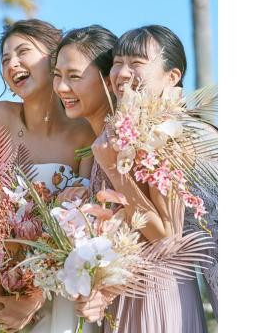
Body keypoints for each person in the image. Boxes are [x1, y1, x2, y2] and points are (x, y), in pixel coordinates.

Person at [67, 25, 212, 332]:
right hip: (123, 295)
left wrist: (113, 170)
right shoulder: (118, 130)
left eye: (136, 63)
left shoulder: (167, 134)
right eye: (117, 62)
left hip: (159, 296)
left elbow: (166, 238)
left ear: (172, 77)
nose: (122, 72)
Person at [0, 19, 96, 333]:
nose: (12, 64)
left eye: (23, 52)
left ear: (55, 59)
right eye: (5, 58)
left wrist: (33, 297)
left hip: (59, 290)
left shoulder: (86, 133)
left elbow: (83, 229)